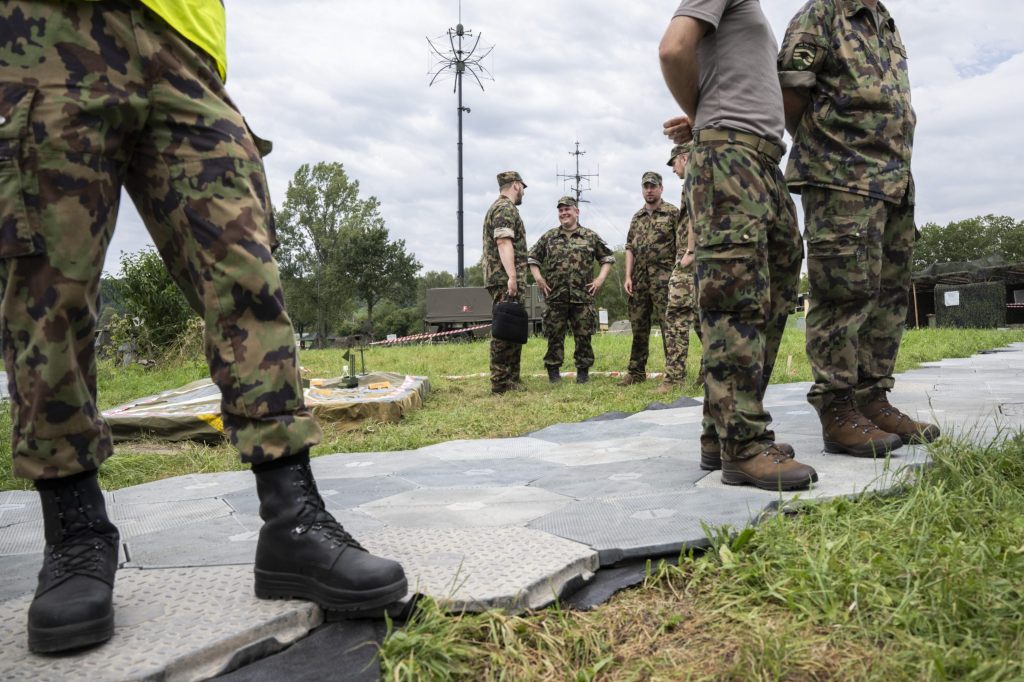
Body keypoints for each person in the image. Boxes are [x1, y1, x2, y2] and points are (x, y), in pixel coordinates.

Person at [0, 1, 406, 654]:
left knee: (248, 272)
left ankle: (292, 520)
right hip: (46, 28)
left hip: (183, 36)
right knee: (49, 286)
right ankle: (75, 533)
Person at [659, 0, 818, 489]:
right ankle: (743, 447)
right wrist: (702, 116)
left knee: (770, 301)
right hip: (730, 159)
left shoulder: (756, 17)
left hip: (763, 163)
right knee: (735, 306)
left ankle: (721, 430)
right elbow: (673, 51)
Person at [778, 0, 939, 455]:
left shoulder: (885, 22)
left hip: (893, 181)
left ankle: (873, 398)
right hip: (841, 176)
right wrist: (827, 146)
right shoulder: (822, 14)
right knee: (843, 294)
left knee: (888, 295)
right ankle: (837, 407)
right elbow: (791, 92)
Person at [528, 196, 615, 384]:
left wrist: (600, 279)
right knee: (554, 336)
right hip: (555, 296)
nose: (564, 213)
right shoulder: (549, 237)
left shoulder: (589, 236)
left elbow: (607, 258)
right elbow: (533, 259)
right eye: (560, 210)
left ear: (577, 212)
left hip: (582, 297)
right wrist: (539, 278)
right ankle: (553, 371)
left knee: (583, 336)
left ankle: (583, 372)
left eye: (567, 209)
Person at [619, 172, 679, 386]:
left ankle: (673, 373)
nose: (649, 190)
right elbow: (629, 248)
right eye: (646, 186)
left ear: (661, 188)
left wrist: (679, 274)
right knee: (638, 326)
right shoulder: (637, 217)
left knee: (668, 326)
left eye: (653, 186)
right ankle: (636, 372)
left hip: (665, 279)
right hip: (639, 280)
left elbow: (682, 245)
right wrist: (628, 275)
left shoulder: (672, 213)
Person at [482, 171, 529, 394]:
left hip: (504, 277)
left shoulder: (501, 207)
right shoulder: (504, 208)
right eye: (522, 187)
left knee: (512, 328)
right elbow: (503, 242)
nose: (523, 192)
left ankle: (511, 378)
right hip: (504, 278)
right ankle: (500, 382)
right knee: (504, 331)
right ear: (516, 185)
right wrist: (512, 276)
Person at [659, 143, 700, 394]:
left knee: (676, 315)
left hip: (690, 262)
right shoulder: (708, 175)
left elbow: (696, 214)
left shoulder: (694, 178)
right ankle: (709, 375)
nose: (673, 169)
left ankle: (674, 377)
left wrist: (690, 252)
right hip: (701, 260)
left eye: (673, 163)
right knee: (704, 319)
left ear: (683, 158)